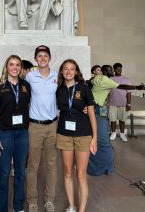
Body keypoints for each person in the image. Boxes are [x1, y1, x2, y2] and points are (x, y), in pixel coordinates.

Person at [0, 55, 31, 212]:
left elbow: (30, 105)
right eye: (11, 64)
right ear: (6, 67)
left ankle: (18, 206)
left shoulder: (26, 85)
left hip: (22, 134)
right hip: (5, 133)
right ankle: (2, 208)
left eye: (18, 65)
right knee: (4, 172)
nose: (15, 67)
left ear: (21, 67)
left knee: (20, 172)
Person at [88, 65, 144, 176]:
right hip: (98, 112)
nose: (113, 71)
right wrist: (138, 87)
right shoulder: (105, 79)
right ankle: (100, 168)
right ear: (105, 71)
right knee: (103, 142)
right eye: (110, 69)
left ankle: (99, 166)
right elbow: (122, 86)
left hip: (95, 110)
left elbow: (89, 83)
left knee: (98, 139)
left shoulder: (96, 78)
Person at [56, 59, 97, 212]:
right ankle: (71, 206)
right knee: (67, 172)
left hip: (83, 135)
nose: (68, 71)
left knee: (80, 174)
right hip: (64, 135)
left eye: (72, 69)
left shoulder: (84, 88)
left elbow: (91, 113)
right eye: (65, 69)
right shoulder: (58, 89)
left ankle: (81, 210)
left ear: (76, 72)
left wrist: (94, 139)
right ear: (61, 71)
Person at [25, 45, 58, 212]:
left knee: (52, 164)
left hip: (52, 126)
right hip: (35, 126)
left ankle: (49, 200)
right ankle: (32, 201)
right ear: (35, 59)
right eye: (39, 56)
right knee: (33, 165)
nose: (43, 58)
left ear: (50, 58)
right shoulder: (30, 76)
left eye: (45, 55)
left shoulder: (57, 76)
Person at [109, 63, 131, 142]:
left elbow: (128, 93)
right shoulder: (110, 78)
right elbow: (107, 91)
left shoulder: (126, 79)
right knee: (113, 120)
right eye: (117, 69)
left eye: (120, 69)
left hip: (123, 104)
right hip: (112, 103)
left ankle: (122, 134)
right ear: (114, 70)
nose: (119, 70)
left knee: (122, 120)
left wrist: (129, 104)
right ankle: (113, 133)